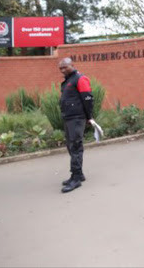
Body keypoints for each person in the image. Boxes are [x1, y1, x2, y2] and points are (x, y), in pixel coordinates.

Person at [58, 58, 94, 193]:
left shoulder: (80, 78)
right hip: (69, 118)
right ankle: (79, 174)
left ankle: (76, 178)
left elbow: (88, 98)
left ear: (72, 65)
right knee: (71, 146)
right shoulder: (68, 80)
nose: (63, 70)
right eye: (60, 68)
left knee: (76, 146)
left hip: (77, 118)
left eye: (65, 67)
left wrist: (89, 116)